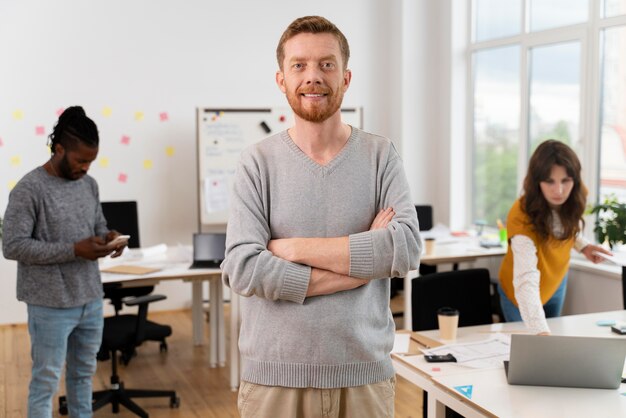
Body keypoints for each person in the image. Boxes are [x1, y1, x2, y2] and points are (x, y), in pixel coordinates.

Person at [221, 15, 420, 418]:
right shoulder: (256, 163)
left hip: (364, 374)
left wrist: (294, 248)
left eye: (326, 64)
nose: (313, 76)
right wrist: (362, 269)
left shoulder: (381, 156)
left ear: (346, 78)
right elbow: (242, 268)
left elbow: (406, 247)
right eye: (299, 65)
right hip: (274, 379)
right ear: (281, 80)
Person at [2, 106, 127, 417]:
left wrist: (108, 237)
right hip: (49, 305)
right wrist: (74, 250)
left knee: (84, 378)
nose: (86, 167)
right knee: (45, 382)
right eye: (80, 160)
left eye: (91, 161)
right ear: (59, 149)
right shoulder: (29, 189)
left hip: (90, 299)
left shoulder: (89, 185)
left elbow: (96, 225)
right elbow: (12, 246)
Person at [498, 140, 611, 335]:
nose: (558, 191)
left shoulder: (575, 196)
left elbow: (563, 226)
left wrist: (584, 247)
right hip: (521, 293)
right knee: (531, 349)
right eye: (549, 181)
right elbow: (526, 280)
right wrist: (541, 332)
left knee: (551, 348)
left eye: (565, 180)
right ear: (536, 181)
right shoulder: (520, 214)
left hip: (556, 283)